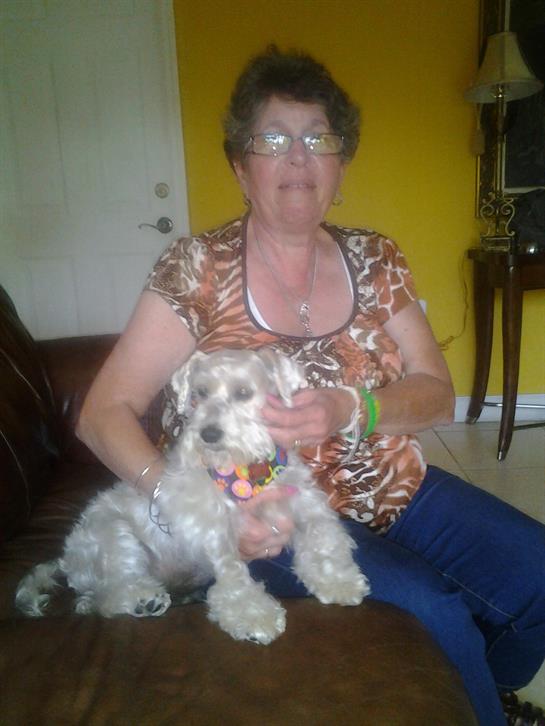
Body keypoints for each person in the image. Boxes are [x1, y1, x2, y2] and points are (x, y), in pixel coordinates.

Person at [77, 46, 545, 725]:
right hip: (266, 511)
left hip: (393, 485)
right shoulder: (197, 267)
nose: (297, 158)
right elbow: (102, 413)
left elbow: (437, 394)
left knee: (536, 572)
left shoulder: (375, 256)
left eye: (317, 139)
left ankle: (487, 694)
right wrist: (186, 506)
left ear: (340, 165)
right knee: (434, 613)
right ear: (241, 167)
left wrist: (352, 407)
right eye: (272, 140)